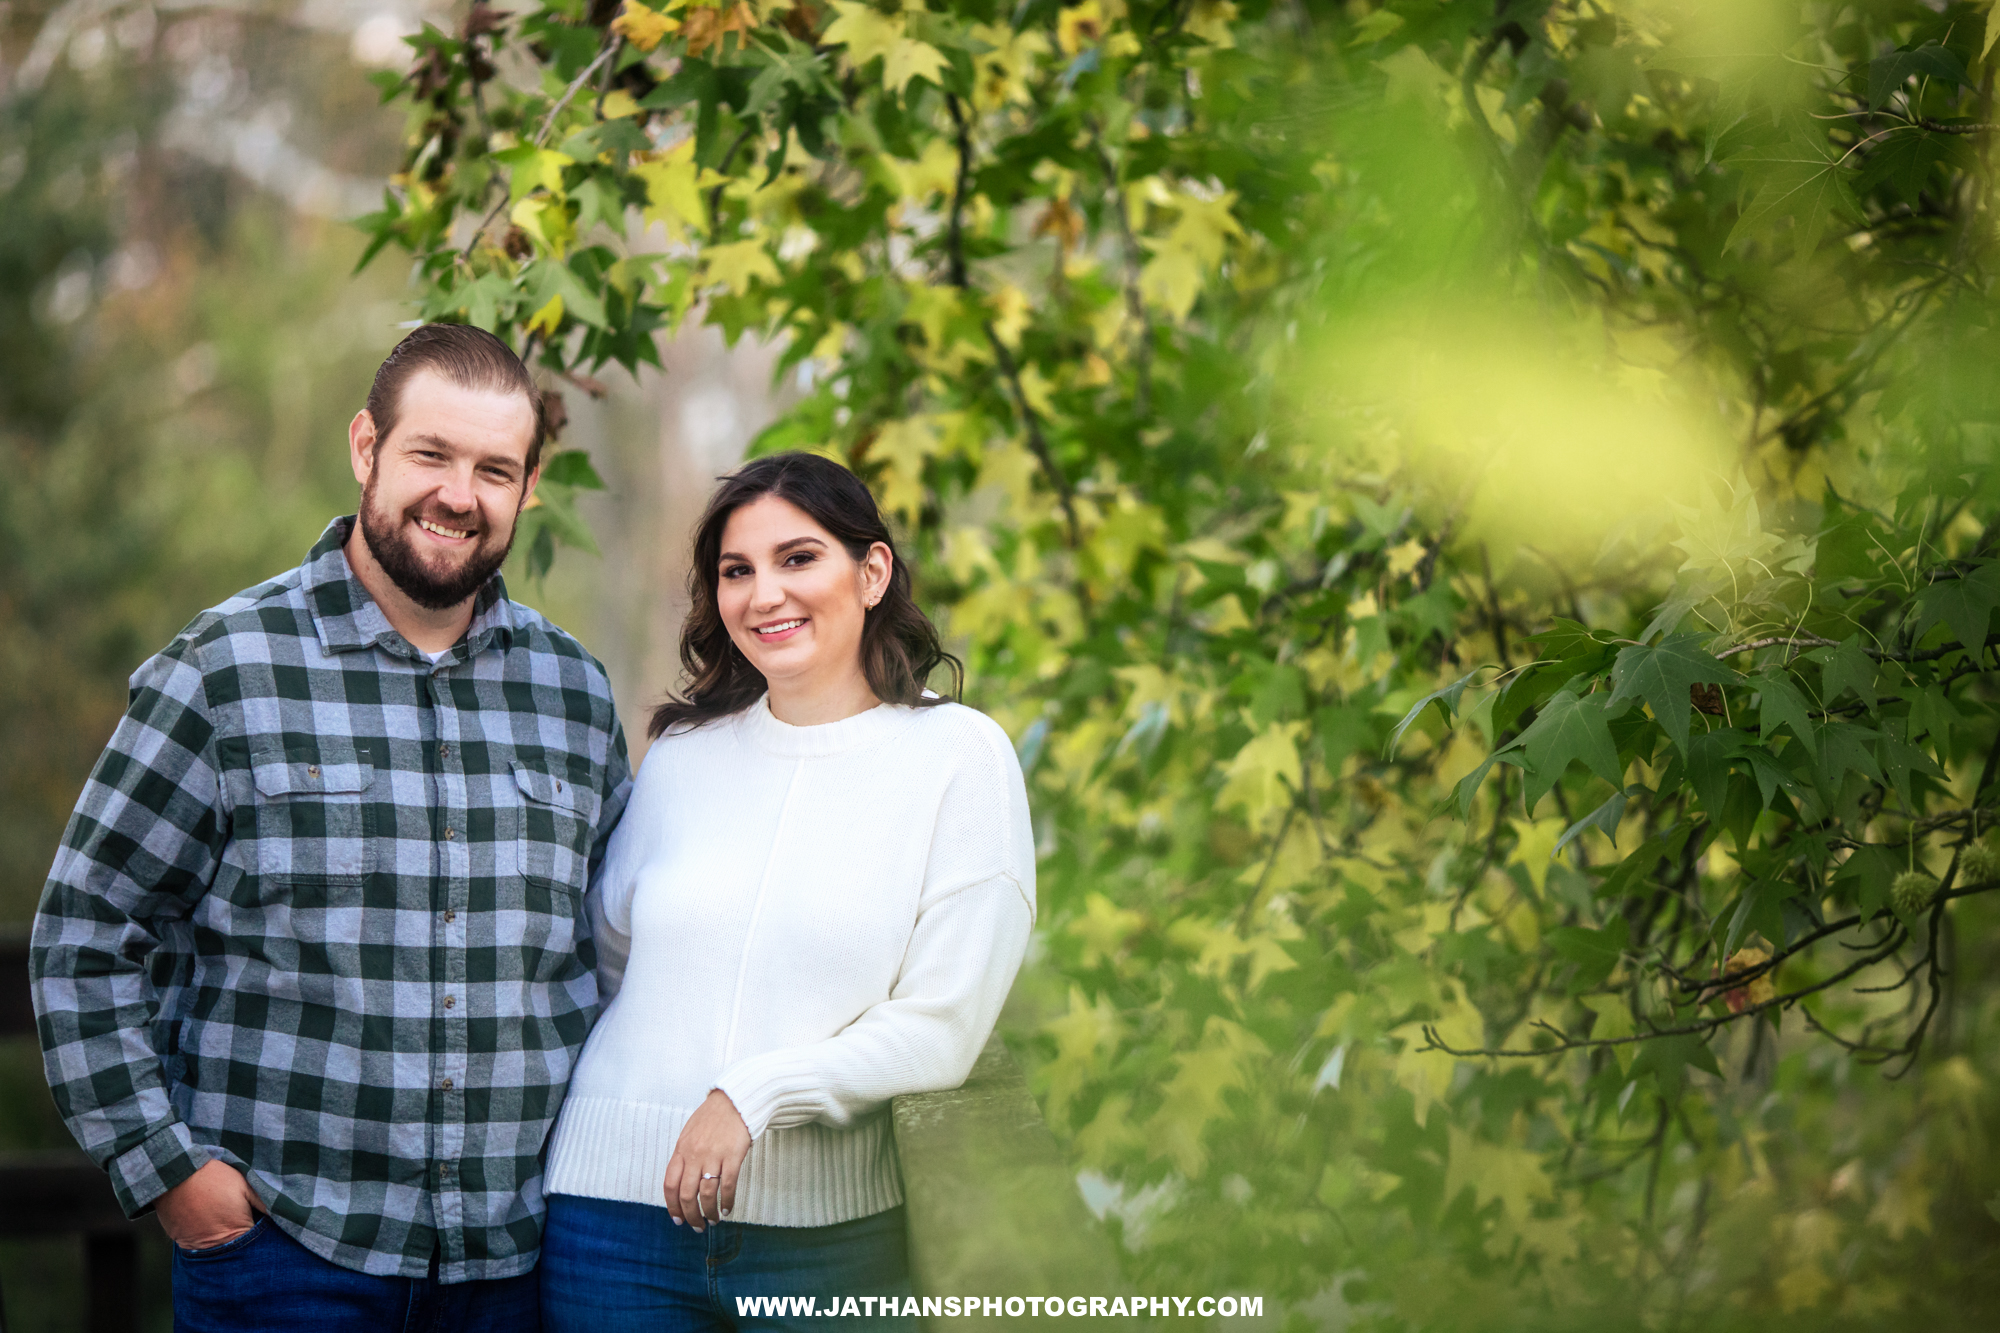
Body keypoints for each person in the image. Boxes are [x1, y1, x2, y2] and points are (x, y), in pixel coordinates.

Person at [30, 323, 631, 1331]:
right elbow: (84, 935)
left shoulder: (572, 691)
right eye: (430, 454)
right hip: (285, 1255)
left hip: (513, 1264)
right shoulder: (226, 669)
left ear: (528, 487)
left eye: (494, 468)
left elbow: (615, 951)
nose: (459, 494)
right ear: (367, 449)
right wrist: (168, 1170)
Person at [536, 452, 1035, 1331]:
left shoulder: (960, 757)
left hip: (827, 1243)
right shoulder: (683, 757)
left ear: (871, 571)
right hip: (609, 1225)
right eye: (737, 570)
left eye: (797, 558)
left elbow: (943, 1021)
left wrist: (754, 1093)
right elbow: (606, 960)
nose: (764, 593)